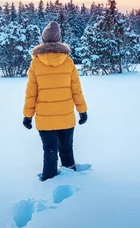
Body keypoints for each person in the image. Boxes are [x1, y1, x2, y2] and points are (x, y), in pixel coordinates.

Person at [22, 21, 88, 182]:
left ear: (43, 40)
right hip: (66, 117)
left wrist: (27, 115)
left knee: (49, 151)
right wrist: (82, 110)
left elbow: (31, 93)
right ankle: (72, 181)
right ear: (59, 40)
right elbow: (76, 90)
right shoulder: (68, 61)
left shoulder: (36, 63)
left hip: (45, 118)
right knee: (66, 150)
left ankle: (49, 181)